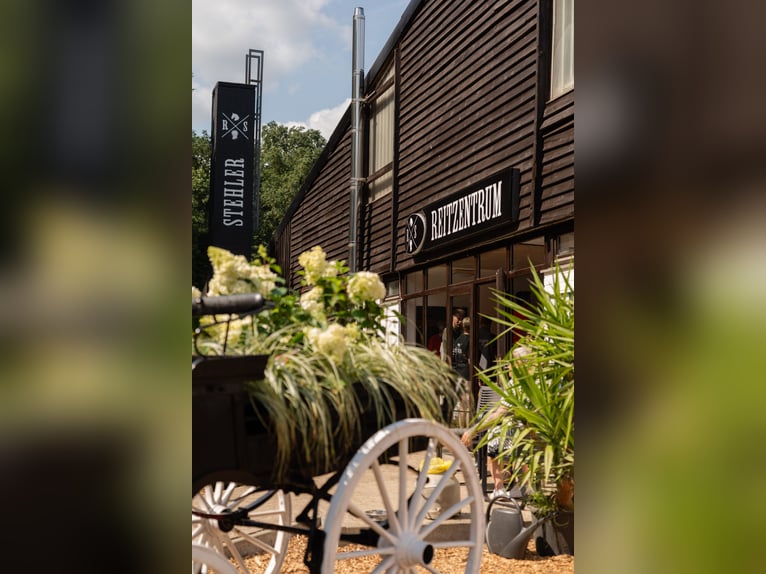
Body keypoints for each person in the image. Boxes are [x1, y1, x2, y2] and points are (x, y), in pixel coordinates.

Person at [461, 345, 532, 499]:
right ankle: (523, 485)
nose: (507, 366)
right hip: (535, 431)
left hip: (521, 432)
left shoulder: (516, 385)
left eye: (511, 362)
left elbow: (499, 414)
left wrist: (474, 430)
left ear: (520, 365)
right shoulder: (536, 382)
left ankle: (499, 488)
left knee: (494, 437)